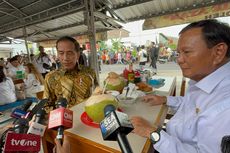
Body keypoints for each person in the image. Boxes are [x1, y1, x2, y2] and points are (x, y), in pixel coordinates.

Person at [131, 19, 230, 153]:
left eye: (187, 52)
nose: (179, 59)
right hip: (172, 138)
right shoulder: (204, 79)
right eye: (179, 53)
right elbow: (194, 104)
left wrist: (154, 134)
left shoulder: (225, 108)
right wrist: (165, 100)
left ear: (218, 52)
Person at [43, 36, 98, 111]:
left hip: (88, 116)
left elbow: (97, 93)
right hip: (63, 120)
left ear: (78, 54)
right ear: (58, 54)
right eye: (61, 53)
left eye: (70, 53)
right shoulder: (50, 77)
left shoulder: (89, 72)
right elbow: (46, 105)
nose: (65, 58)